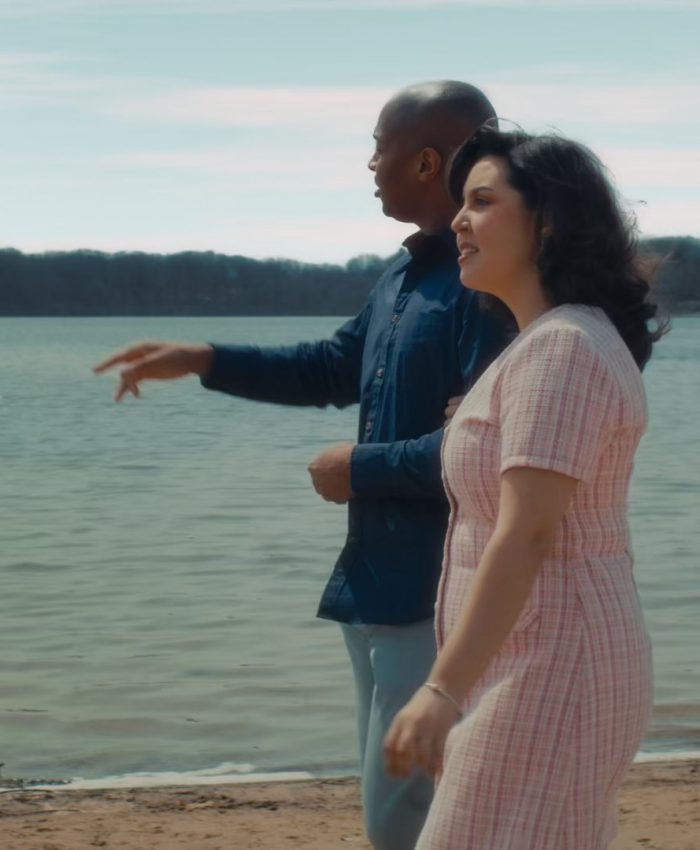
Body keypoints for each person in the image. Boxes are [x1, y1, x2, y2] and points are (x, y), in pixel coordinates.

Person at [93, 81, 511, 850]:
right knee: (399, 812)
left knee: (414, 822)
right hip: (377, 588)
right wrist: (202, 358)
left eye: (377, 146)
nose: (369, 164)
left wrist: (361, 468)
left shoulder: (485, 284)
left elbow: (496, 452)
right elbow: (331, 367)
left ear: (425, 160)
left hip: (442, 595)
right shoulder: (407, 274)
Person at [383, 125, 666, 849]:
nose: (458, 221)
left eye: (482, 201)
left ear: (546, 221)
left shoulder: (563, 347)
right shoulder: (549, 346)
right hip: (533, 655)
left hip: (551, 665)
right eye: (460, 204)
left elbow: (530, 531)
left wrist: (440, 690)